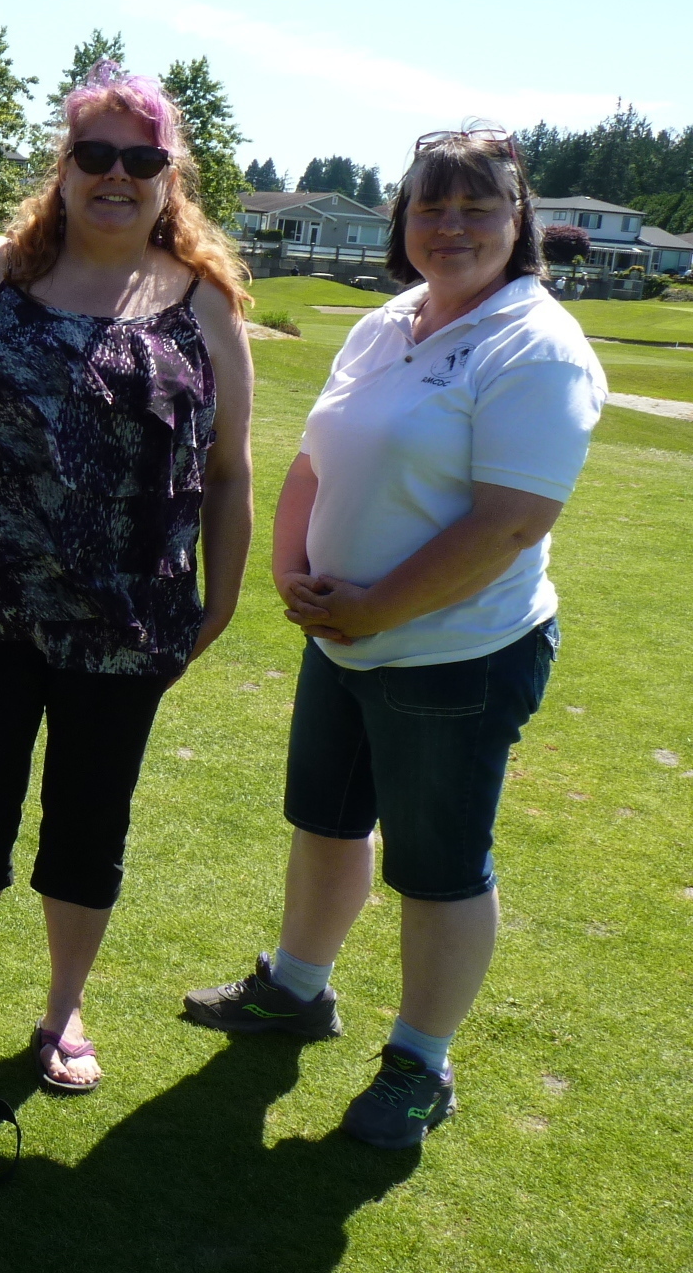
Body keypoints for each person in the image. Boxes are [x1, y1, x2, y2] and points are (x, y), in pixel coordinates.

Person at [182, 129, 604, 1149]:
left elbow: (508, 522)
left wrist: (375, 609)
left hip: (456, 655)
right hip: (342, 639)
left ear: (518, 222)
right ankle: (297, 989)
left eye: (476, 207)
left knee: (439, 867)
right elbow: (314, 460)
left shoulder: (536, 346)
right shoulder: (385, 322)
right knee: (326, 824)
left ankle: (420, 1062)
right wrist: (291, 570)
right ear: (402, 221)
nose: (450, 226)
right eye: (429, 206)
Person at [0, 61, 256, 1090]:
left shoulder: (205, 302)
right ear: (63, 166)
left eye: (140, 159)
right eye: (94, 154)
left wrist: (222, 599)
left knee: (89, 823)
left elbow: (229, 472)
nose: (115, 175)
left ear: (168, 177)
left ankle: (63, 1011)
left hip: (126, 620)